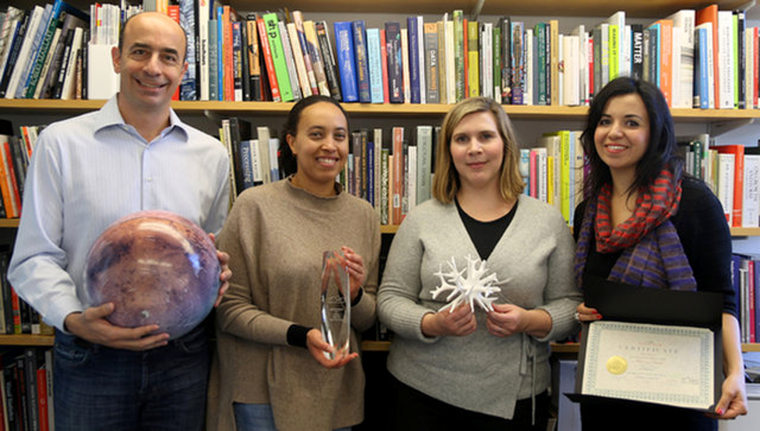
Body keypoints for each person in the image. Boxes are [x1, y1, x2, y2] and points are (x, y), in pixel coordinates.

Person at [7, 12, 231, 430]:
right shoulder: (61, 143)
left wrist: (219, 272)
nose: (153, 68)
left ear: (182, 69)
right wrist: (76, 320)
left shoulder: (211, 155)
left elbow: (211, 247)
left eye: (168, 57)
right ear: (116, 58)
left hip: (182, 357)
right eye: (140, 52)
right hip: (92, 354)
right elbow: (33, 257)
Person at [377, 97, 581, 430]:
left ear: (506, 144)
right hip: (421, 392)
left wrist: (530, 320)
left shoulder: (546, 221)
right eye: (462, 139)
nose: (474, 148)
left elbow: (571, 306)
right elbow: (389, 300)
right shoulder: (421, 219)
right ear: (449, 150)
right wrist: (433, 323)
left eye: (486, 136)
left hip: (516, 397)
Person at [573, 77, 748, 430]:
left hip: (680, 397)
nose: (614, 132)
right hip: (608, 392)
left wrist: (736, 373)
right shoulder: (588, 212)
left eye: (631, 122)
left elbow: (723, 302)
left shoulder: (695, 203)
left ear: (656, 133)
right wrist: (585, 309)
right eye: (605, 121)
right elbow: (597, 291)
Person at [207, 94, 381, 431]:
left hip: (333, 390)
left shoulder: (364, 215)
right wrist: (301, 336)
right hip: (260, 391)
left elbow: (366, 318)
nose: (329, 145)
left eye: (339, 136)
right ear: (292, 142)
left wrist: (355, 295)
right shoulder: (254, 206)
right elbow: (229, 309)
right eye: (316, 134)